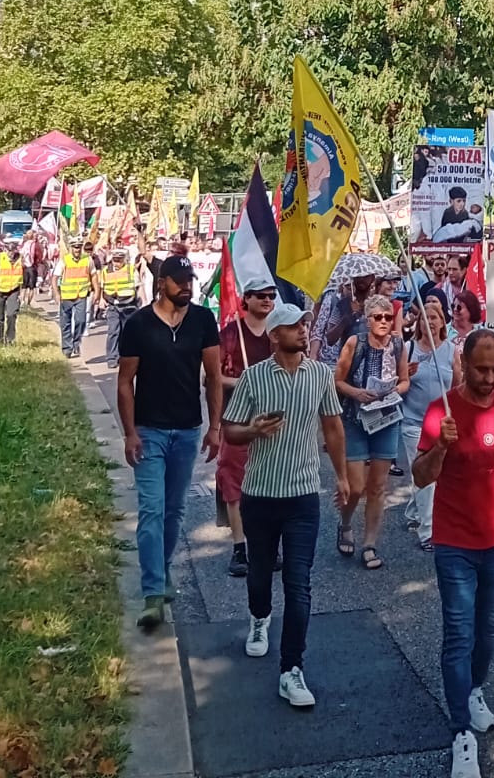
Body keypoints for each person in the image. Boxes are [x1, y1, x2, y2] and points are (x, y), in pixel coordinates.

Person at [414, 329, 494, 778]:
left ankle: (473, 691)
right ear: (464, 365)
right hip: (453, 541)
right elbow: (418, 477)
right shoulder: (442, 410)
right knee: (458, 632)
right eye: (482, 369)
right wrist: (441, 445)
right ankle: (460, 735)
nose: (491, 377)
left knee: (487, 632)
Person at [222, 301, 348, 708]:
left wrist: (343, 477)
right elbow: (231, 431)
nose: (303, 331)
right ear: (274, 335)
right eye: (294, 327)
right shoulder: (254, 378)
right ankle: (259, 619)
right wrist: (252, 429)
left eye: (304, 325)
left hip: (303, 496)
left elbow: (332, 425)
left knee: (299, 583)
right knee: (260, 574)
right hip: (259, 494)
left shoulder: (319, 376)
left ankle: (291, 668)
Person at [117, 255, 223, 629]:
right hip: (149, 431)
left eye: (190, 280)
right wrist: (129, 432)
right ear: (161, 283)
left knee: (174, 511)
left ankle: (161, 573)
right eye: (179, 281)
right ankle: (151, 594)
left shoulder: (203, 321)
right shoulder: (138, 325)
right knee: (151, 509)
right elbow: (125, 383)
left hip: (188, 429)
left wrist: (215, 427)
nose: (187, 287)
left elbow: (213, 376)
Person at [334, 292, 410, 569]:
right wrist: (357, 393)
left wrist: (393, 391)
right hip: (355, 419)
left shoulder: (399, 345)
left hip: (386, 420)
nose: (384, 322)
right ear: (368, 320)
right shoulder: (355, 343)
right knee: (356, 487)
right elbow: (338, 381)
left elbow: (405, 381)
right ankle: (344, 523)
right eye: (378, 317)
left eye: (388, 317)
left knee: (378, 487)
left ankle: (370, 544)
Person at [217, 281, 278, 575]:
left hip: (273, 419)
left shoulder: (278, 333)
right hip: (238, 418)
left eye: (272, 296)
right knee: (235, 483)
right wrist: (245, 383)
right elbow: (212, 377)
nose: (268, 301)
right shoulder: (231, 334)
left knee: (272, 481)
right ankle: (239, 549)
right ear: (247, 299)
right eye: (262, 296)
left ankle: (265, 545)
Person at [402, 296, 454, 551]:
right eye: (425, 318)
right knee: (425, 478)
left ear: (442, 322)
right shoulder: (407, 349)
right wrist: (405, 377)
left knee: (436, 474)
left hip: (441, 424)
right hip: (413, 423)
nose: (430, 322)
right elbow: (396, 386)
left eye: (434, 317)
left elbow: (457, 387)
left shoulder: (452, 350)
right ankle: (428, 532)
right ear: (418, 323)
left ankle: (413, 513)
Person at [308, 269, 376, 365]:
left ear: (372, 278)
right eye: (358, 276)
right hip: (346, 367)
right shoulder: (343, 305)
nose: (362, 279)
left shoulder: (378, 304)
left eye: (366, 276)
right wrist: (346, 318)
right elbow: (330, 339)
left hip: (371, 365)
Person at [102, 244, 141, 371]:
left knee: (127, 333)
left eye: (119, 260)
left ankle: (125, 356)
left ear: (124, 259)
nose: (117, 263)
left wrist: (141, 302)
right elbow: (103, 288)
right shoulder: (105, 271)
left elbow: (137, 287)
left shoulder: (131, 270)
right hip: (113, 305)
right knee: (113, 331)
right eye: (115, 260)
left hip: (128, 306)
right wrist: (104, 300)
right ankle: (112, 358)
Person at [57, 234, 96, 358]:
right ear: (71, 248)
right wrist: (56, 294)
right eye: (75, 247)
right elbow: (54, 278)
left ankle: (76, 343)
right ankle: (67, 348)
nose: (77, 250)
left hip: (81, 296)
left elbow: (94, 275)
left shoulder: (87, 260)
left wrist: (97, 293)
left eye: (79, 247)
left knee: (81, 321)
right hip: (66, 296)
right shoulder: (64, 260)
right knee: (66, 323)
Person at [0, 238, 23, 345]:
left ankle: (10, 339)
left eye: (12, 250)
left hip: (13, 290)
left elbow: (25, 275)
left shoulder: (20, 259)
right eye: (8, 250)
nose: (10, 253)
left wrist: (22, 293)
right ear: (5, 249)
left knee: (12, 314)